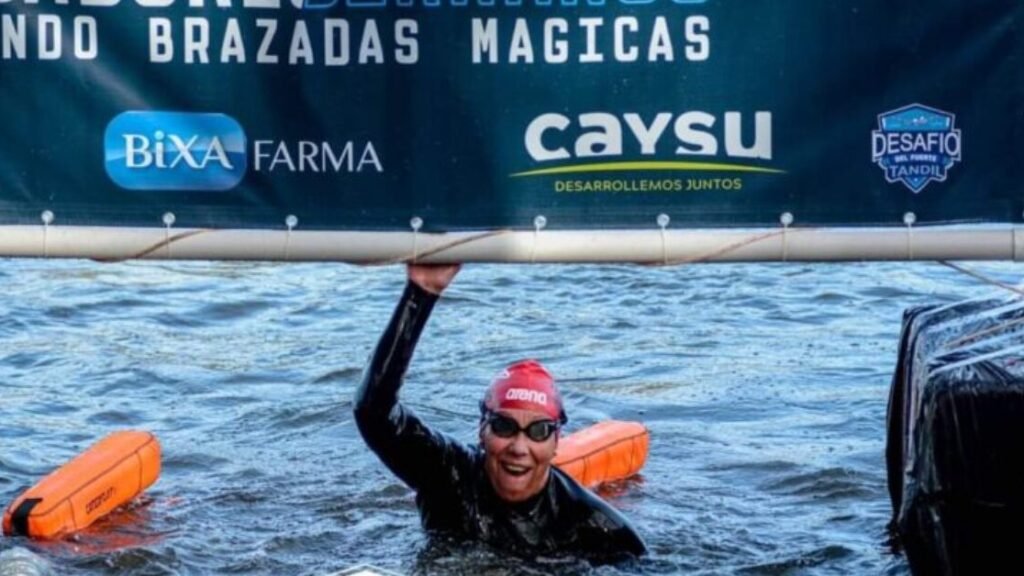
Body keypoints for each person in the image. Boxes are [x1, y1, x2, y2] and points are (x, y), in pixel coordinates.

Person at [353, 264, 647, 562]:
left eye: (538, 431)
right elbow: (373, 411)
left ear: (556, 441)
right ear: (482, 431)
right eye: (504, 426)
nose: (519, 447)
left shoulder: (593, 525)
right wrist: (421, 291)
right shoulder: (447, 475)